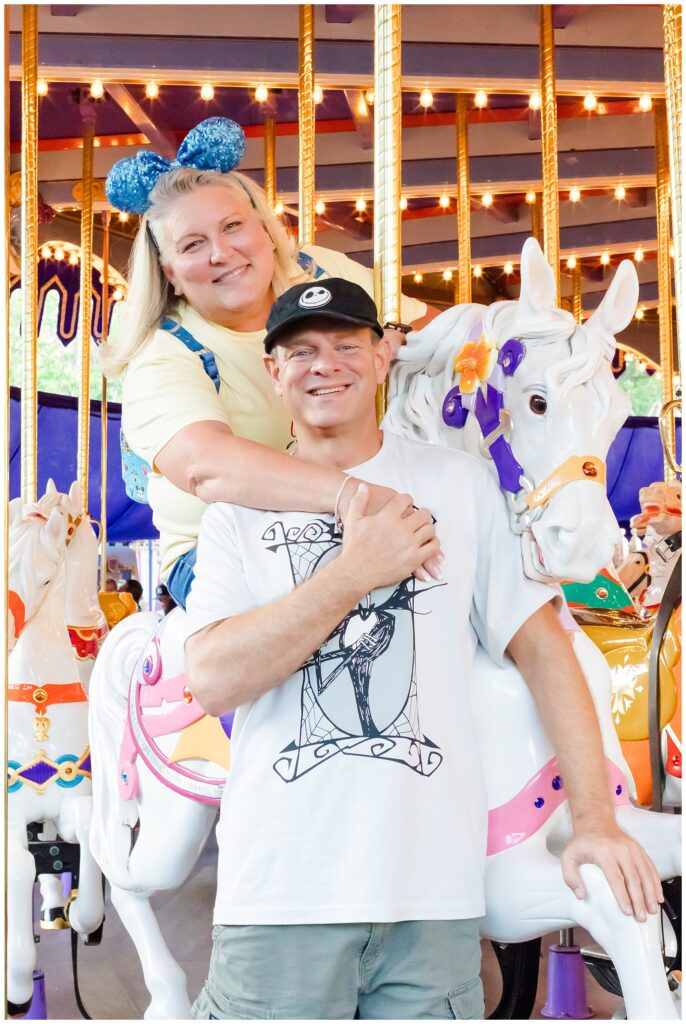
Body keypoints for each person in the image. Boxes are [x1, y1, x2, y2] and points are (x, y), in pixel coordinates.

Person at [185, 280, 662, 1021]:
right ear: (273, 372)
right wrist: (353, 574)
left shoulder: (462, 485)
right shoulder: (237, 512)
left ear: (382, 359)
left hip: (432, 903)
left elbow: (544, 652)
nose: (326, 365)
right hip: (282, 894)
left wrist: (596, 820)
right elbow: (212, 679)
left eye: (347, 345)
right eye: (302, 351)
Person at [103, 117, 439, 610]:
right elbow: (206, 467)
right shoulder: (164, 353)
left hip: (354, 514)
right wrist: (354, 495)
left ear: (264, 227)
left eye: (233, 226)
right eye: (193, 244)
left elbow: (439, 334)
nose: (222, 253)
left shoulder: (318, 275)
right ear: (170, 273)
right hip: (219, 546)